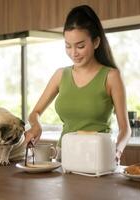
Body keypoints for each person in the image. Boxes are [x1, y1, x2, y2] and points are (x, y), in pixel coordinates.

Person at [24, 5, 131, 162]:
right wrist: (36, 126)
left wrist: (117, 151)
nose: (73, 53)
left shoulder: (111, 76)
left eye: (80, 46)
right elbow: (35, 113)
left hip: (97, 158)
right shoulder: (61, 75)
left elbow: (125, 129)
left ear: (95, 42)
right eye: (68, 46)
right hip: (63, 157)